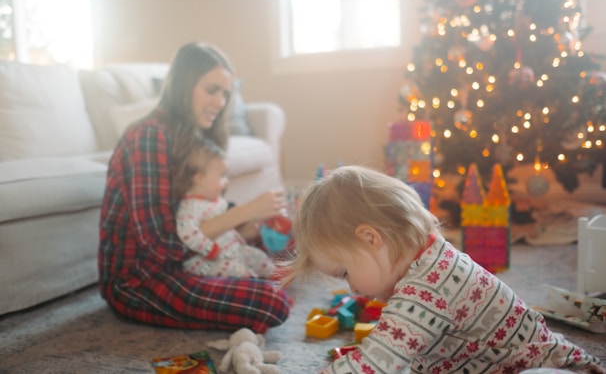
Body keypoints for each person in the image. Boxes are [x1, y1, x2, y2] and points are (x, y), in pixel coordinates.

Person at [282, 165, 604, 374]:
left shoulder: (428, 287)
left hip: (547, 366)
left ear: (370, 238)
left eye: (345, 273)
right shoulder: (426, 257)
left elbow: (378, 363)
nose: (351, 289)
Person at [99, 42, 290, 334]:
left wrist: (251, 225)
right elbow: (161, 248)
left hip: (192, 259)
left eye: (225, 93)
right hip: (141, 278)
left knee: (280, 247)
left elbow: (203, 213)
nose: (220, 102)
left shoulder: (194, 137)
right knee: (270, 301)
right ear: (183, 85)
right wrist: (242, 215)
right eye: (211, 90)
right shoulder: (147, 137)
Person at [173, 136, 275, 279]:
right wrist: (210, 249)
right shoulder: (190, 207)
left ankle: (273, 275)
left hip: (230, 251)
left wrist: (239, 236)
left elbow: (226, 226)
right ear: (199, 179)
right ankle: (257, 284)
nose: (226, 182)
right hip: (208, 261)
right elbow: (187, 233)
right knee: (241, 272)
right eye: (222, 176)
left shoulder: (214, 201)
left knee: (258, 257)